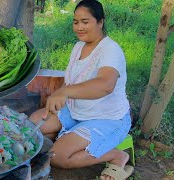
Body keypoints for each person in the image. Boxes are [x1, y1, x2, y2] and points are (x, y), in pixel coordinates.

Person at [30, 0, 134, 179]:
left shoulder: (110, 50)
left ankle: (117, 155)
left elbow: (105, 85)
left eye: (85, 22)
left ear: (100, 22)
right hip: (77, 112)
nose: (79, 27)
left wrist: (64, 92)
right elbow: (72, 81)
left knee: (57, 157)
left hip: (106, 119)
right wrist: (59, 96)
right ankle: (69, 139)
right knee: (33, 124)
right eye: (75, 22)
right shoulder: (78, 47)